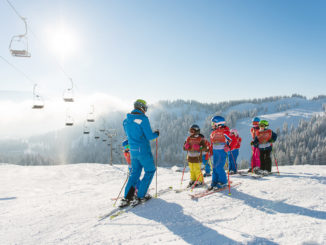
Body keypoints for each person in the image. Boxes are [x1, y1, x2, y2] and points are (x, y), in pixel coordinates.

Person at [119, 99, 159, 207]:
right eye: (145, 107)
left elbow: (130, 134)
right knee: (150, 170)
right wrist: (156, 134)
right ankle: (141, 196)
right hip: (143, 150)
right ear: (141, 107)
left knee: (135, 173)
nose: (145, 110)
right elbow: (150, 136)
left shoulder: (126, 121)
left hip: (133, 151)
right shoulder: (142, 119)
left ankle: (127, 197)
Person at [209, 116, 232, 190]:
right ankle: (215, 181)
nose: (212, 125)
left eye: (213, 123)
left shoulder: (225, 131)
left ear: (219, 124)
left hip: (221, 152)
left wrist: (228, 146)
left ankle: (223, 182)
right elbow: (212, 143)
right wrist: (210, 151)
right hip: (215, 152)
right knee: (214, 167)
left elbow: (232, 140)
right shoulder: (213, 133)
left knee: (219, 167)